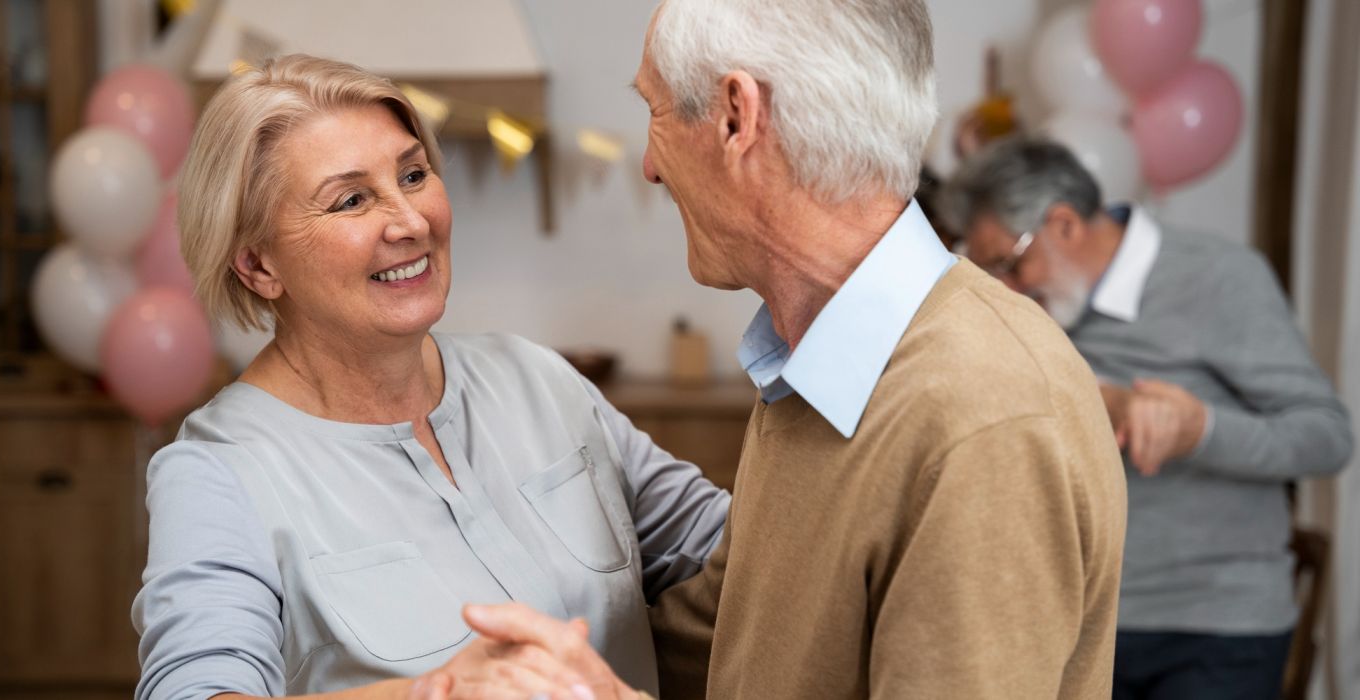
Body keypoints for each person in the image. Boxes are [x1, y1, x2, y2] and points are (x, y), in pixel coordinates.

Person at [454, 1, 1129, 698]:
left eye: (654, 112)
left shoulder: (984, 417)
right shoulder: (814, 367)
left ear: (736, 118)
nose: (650, 167)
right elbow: (738, 639)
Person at [132, 54, 730, 700]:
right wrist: (437, 691)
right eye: (351, 199)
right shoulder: (217, 474)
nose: (411, 221)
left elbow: (732, 551)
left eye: (413, 175)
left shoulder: (536, 377)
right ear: (257, 265)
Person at [942, 136, 1354, 700]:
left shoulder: (1220, 277)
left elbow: (1326, 436)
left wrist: (1199, 430)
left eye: (1010, 265)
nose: (1006, 291)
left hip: (1213, 625)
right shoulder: (1031, 310)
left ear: (1064, 224)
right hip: (1077, 621)